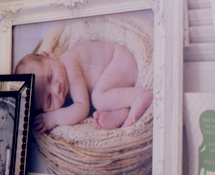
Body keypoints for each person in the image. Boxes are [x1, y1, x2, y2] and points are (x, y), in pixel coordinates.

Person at [14, 41, 153, 133]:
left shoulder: (68, 62)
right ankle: (120, 112)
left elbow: (82, 107)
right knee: (99, 98)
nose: (56, 89)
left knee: (98, 98)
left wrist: (54, 118)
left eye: (50, 76)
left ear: (48, 55)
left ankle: (139, 96)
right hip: (113, 76)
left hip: (119, 62)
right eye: (49, 100)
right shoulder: (62, 81)